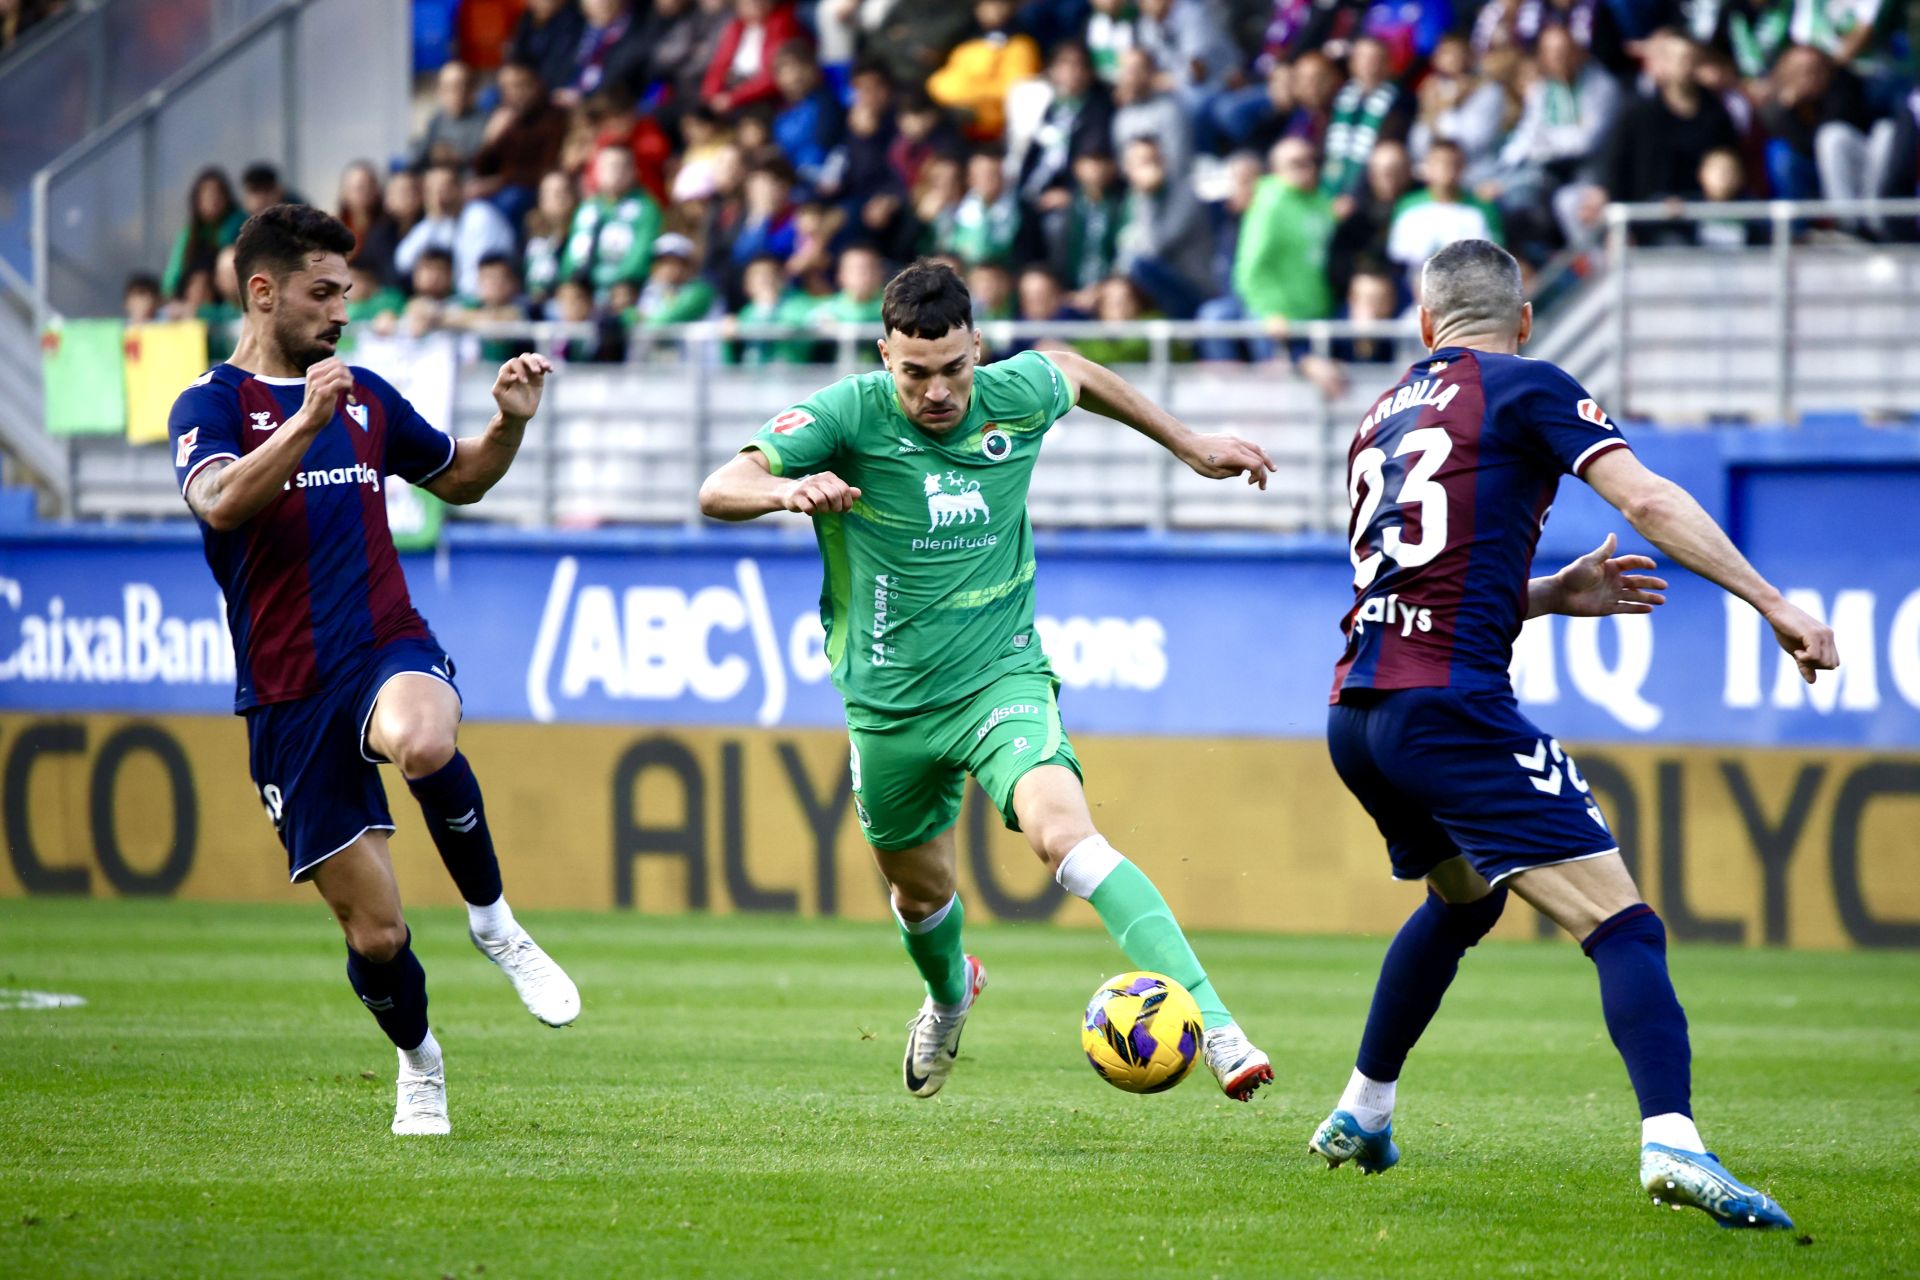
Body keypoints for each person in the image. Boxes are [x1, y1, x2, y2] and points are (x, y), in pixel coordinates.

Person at [1310, 239, 1836, 1228]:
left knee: (1461, 901)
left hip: (1357, 713)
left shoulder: (1378, 418)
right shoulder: (1529, 384)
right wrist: (1773, 601)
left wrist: (1550, 592)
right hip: (1449, 709)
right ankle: (1673, 1140)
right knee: (1624, 923)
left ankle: (1363, 1106)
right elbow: (1645, 497)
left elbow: (1423, 578)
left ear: (1425, 325)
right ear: (1525, 322)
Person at [696, 259, 1278, 1103]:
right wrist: (786, 489)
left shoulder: (1015, 392)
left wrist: (1189, 444)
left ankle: (1221, 1029)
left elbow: (1074, 371)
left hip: (999, 678)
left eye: (955, 369)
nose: (938, 392)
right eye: (915, 374)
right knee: (918, 892)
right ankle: (947, 995)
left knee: (1062, 835)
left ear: (979, 349)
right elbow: (720, 487)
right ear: (883, 357)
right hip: (888, 706)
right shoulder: (844, 414)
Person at [163, 204, 580, 1137]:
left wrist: (507, 427)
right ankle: (419, 1061)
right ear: (262, 292)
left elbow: (460, 477)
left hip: (384, 641)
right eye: (322, 293)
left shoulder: (366, 396)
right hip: (287, 690)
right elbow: (221, 501)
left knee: (426, 737)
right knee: (378, 935)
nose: (340, 313)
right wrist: (307, 420)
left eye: (346, 294)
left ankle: (495, 922)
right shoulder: (211, 406)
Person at [163, 168, 247, 300]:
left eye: (217, 194)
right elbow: (172, 276)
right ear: (196, 200)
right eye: (206, 195)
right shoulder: (190, 233)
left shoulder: (238, 225)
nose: (213, 200)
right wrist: (171, 296)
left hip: (226, 302)